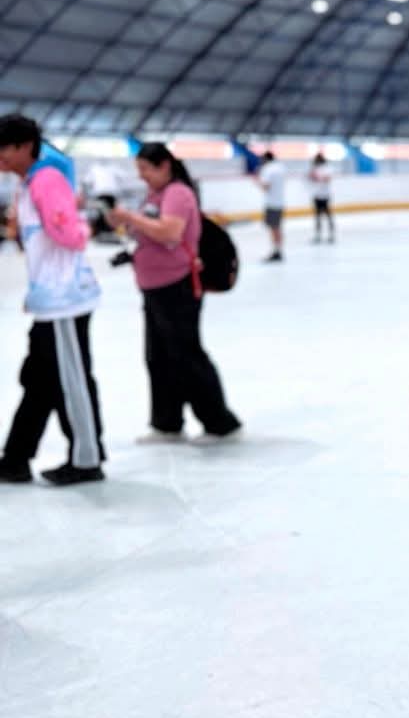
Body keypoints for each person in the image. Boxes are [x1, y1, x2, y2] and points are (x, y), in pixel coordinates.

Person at [110, 142, 241, 444]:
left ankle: (219, 422)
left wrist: (131, 217)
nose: (141, 175)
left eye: (145, 168)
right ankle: (167, 422)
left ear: (164, 166)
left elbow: (170, 232)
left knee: (186, 355)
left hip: (177, 286)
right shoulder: (155, 195)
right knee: (158, 357)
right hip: (153, 287)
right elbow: (148, 230)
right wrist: (126, 223)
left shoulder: (178, 193)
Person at [0, 114, 106, 486]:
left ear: (26, 146)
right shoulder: (30, 183)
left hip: (65, 300)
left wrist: (71, 223)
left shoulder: (46, 180)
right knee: (39, 377)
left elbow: (71, 236)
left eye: (4, 148)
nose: (0, 157)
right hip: (49, 298)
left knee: (70, 378)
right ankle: (15, 458)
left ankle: (87, 459)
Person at [258, 149, 286, 262]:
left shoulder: (267, 169)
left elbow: (266, 186)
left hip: (271, 202)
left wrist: (258, 182)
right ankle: (278, 250)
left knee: (274, 228)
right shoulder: (280, 167)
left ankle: (276, 251)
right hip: (280, 201)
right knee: (277, 228)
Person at [308, 151, 337, 243]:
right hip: (317, 194)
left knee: (328, 216)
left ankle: (331, 235)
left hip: (325, 195)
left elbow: (327, 178)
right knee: (317, 216)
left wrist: (318, 177)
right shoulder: (315, 168)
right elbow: (311, 178)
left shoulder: (327, 168)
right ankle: (318, 235)